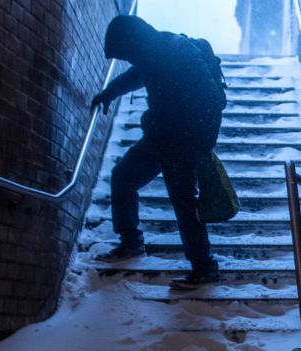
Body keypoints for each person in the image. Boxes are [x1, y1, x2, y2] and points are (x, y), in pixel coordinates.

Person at [90, 15, 226, 290]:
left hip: (183, 140)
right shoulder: (150, 54)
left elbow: (211, 97)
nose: (129, 59)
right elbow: (135, 75)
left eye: (127, 53)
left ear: (133, 43)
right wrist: (109, 94)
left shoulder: (174, 52)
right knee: (124, 177)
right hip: (161, 137)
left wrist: (199, 139)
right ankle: (131, 242)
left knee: (184, 203)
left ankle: (205, 267)